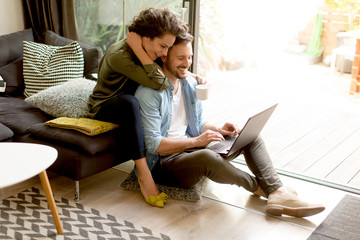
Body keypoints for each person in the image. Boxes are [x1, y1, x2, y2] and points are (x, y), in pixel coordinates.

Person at [134, 33, 325, 217]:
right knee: (208, 157)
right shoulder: (149, 93)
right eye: (181, 57)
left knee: (250, 136)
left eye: (190, 57)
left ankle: (276, 190)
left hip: (191, 150)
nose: (187, 63)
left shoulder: (190, 83)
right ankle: (268, 190)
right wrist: (196, 142)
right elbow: (154, 144)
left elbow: (198, 124)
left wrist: (218, 130)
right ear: (165, 57)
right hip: (164, 164)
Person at [88, 8, 189, 207]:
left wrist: (191, 76)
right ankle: (144, 175)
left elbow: (165, 75)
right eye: (162, 46)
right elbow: (162, 83)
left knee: (136, 101)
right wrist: (138, 50)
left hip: (129, 105)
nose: (164, 53)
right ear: (145, 36)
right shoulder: (120, 55)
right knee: (130, 102)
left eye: (168, 48)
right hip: (104, 107)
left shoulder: (148, 51)